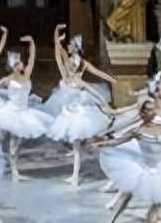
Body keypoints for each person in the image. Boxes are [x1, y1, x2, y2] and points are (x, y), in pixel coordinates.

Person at [0, 35, 54, 182]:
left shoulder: (27, 74)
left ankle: (15, 173)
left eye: (21, 62)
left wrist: (32, 42)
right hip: (8, 113)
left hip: (23, 114)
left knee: (14, 147)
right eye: (19, 63)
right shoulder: (7, 80)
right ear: (14, 66)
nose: (22, 64)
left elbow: (32, 57)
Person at [45, 25, 117, 186]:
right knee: (76, 146)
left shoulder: (79, 74)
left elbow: (96, 74)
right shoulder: (66, 73)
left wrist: (111, 80)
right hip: (69, 109)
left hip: (79, 112)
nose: (70, 66)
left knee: (82, 144)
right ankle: (76, 175)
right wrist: (56, 36)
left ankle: (91, 171)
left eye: (72, 45)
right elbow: (58, 55)